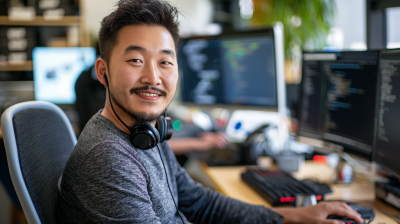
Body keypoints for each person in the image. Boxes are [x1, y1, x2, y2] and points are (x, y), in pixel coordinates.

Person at [55, 0, 364, 223]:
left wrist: (289, 217)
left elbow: (198, 202)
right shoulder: (107, 157)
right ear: (103, 71)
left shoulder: (146, 134)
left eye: (165, 62)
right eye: (136, 60)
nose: (153, 77)